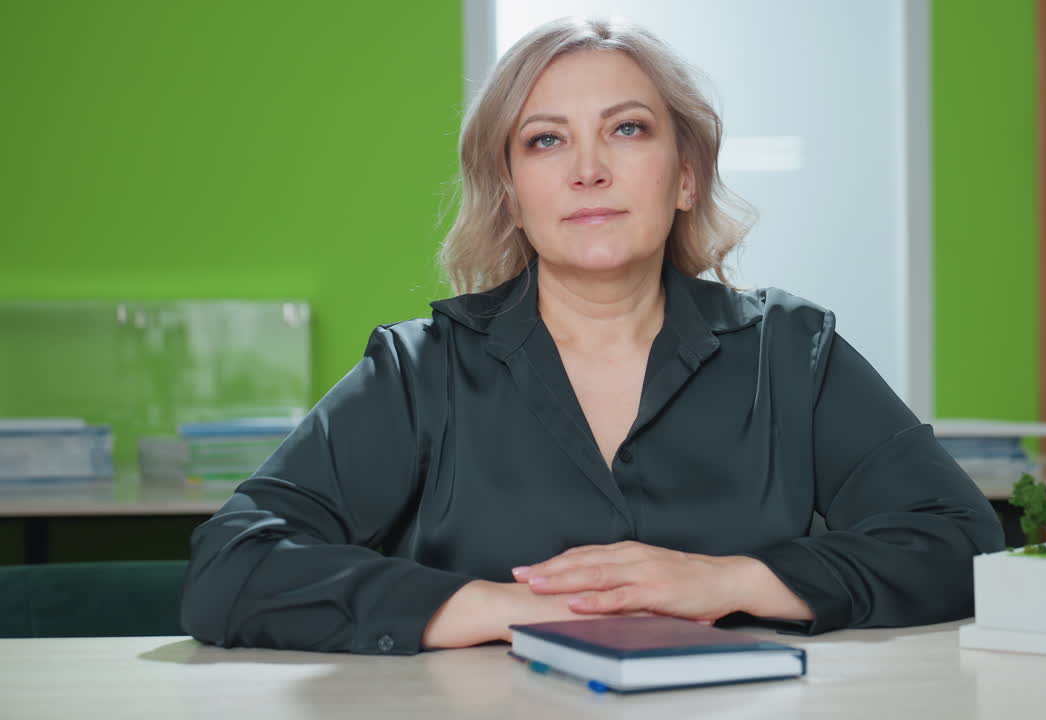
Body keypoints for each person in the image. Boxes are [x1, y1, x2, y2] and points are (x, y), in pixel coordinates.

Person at [179, 16, 1004, 655]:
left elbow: (960, 542)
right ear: (510, 194)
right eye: (546, 140)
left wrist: (727, 582)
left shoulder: (794, 353)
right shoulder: (418, 370)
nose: (588, 170)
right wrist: (504, 608)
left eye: (627, 129)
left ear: (685, 176)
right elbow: (232, 566)